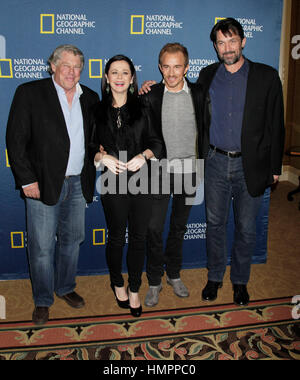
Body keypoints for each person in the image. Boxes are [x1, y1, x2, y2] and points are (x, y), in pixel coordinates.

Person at [6, 44, 100, 325]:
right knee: (42, 247)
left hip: (77, 184)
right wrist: (26, 180)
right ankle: (43, 299)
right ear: (53, 66)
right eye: (66, 65)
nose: (72, 72)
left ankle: (66, 287)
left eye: (77, 67)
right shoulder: (30, 93)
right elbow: (16, 140)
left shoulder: (91, 98)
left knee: (73, 242)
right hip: (42, 184)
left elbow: (97, 137)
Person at [197, 18, 285, 305]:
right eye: (221, 43)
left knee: (247, 227)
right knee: (214, 225)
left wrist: (274, 168)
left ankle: (240, 281)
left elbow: (276, 124)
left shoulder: (267, 76)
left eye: (232, 40)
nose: (227, 47)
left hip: (252, 165)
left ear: (243, 41)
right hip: (215, 162)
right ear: (215, 47)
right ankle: (214, 277)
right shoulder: (207, 76)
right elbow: (184, 102)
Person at [92, 55, 162, 317]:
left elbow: (157, 143)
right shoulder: (96, 110)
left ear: (132, 78)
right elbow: (90, 147)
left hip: (142, 178)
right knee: (117, 237)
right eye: (114, 72)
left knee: (139, 238)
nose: (119, 77)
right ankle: (117, 282)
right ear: (107, 77)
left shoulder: (144, 107)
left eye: (125, 73)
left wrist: (143, 156)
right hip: (112, 179)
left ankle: (134, 287)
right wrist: (102, 157)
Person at [140, 43, 204, 307]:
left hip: (189, 171)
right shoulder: (150, 95)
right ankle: (155, 279)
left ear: (187, 67)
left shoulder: (200, 94)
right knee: (154, 228)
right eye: (166, 66)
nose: (171, 72)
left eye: (177, 66)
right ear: (159, 67)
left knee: (178, 227)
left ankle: (174, 274)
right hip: (159, 172)